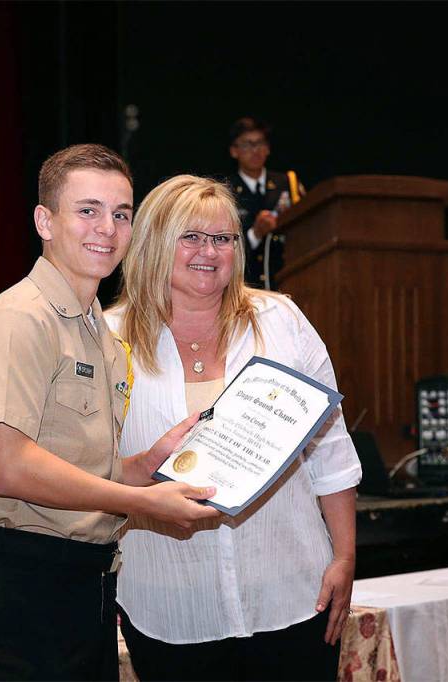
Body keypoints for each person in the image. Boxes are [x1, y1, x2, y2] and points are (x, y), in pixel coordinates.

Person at [0, 145, 220, 681]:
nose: (108, 228)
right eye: (88, 210)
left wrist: (146, 464)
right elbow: (11, 469)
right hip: (22, 588)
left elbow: (78, 468)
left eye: (122, 214)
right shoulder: (18, 321)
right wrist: (143, 501)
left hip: (86, 586)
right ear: (44, 221)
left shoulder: (97, 327)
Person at [107, 175, 361, 681]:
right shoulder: (110, 338)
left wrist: (346, 556)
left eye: (222, 238)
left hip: (293, 595)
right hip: (170, 606)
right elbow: (88, 471)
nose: (209, 251)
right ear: (156, 242)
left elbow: (331, 448)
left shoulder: (280, 319)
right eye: (191, 237)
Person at [226, 117, 306, 290]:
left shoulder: (287, 183)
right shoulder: (226, 191)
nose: (255, 150)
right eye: (247, 144)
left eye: (260, 143)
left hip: (288, 281)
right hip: (245, 285)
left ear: (268, 148)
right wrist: (255, 234)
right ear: (234, 151)